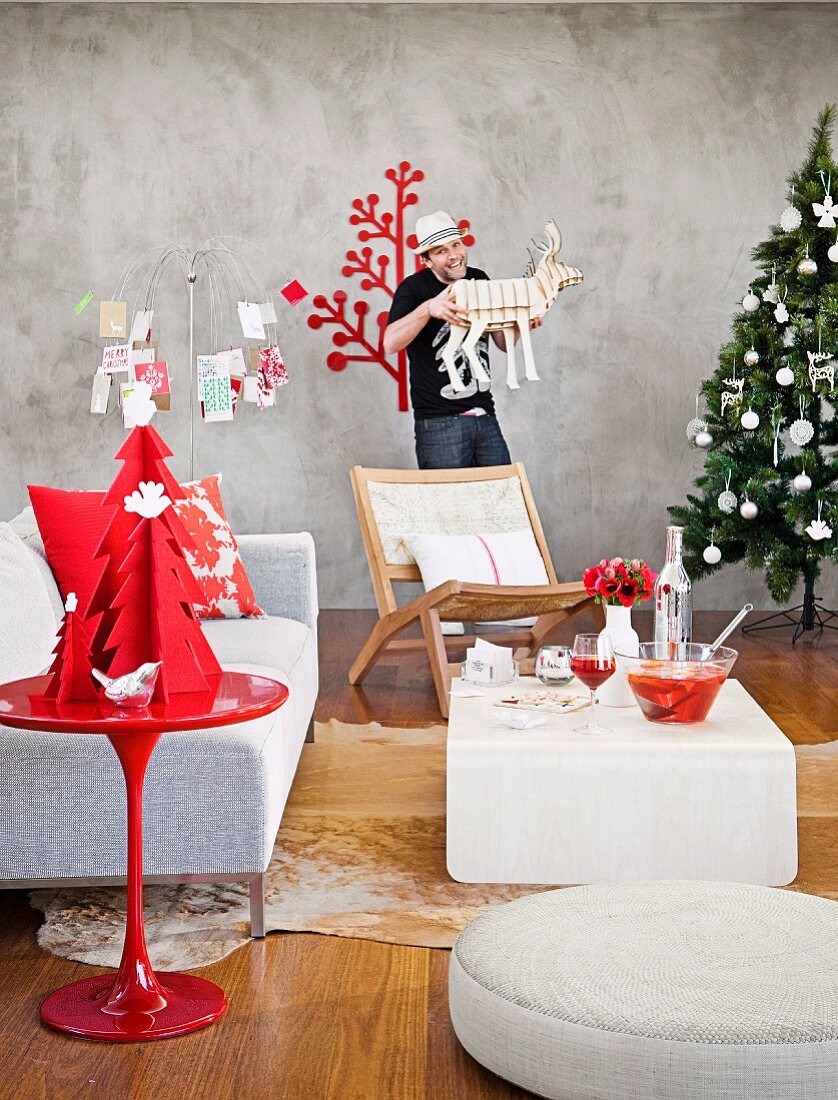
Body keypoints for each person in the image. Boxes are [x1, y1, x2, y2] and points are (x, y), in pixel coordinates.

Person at [384, 210, 540, 469]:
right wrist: (428, 308)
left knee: (500, 503)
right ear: (427, 260)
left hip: (485, 415)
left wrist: (521, 323)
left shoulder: (480, 279)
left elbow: (502, 342)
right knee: (448, 506)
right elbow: (390, 343)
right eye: (441, 251)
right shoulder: (412, 288)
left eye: (456, 244)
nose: (454, 255)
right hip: (439, 423)